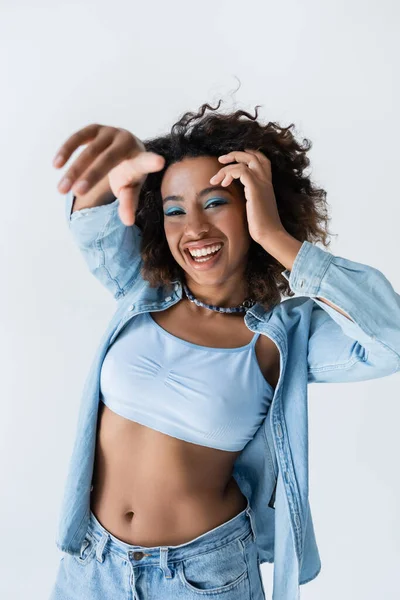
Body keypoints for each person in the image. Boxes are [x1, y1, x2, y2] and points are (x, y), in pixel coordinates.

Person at [49, 102, 400, 600]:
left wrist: (276, 237)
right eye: (174, 209)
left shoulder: (283, 336)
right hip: (92, 566)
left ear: (255, 204)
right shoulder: (140, 289)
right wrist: (111, 173)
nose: (193, 228)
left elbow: (393, 339)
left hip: (203, 578)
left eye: (215, 202)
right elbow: (94, 223)